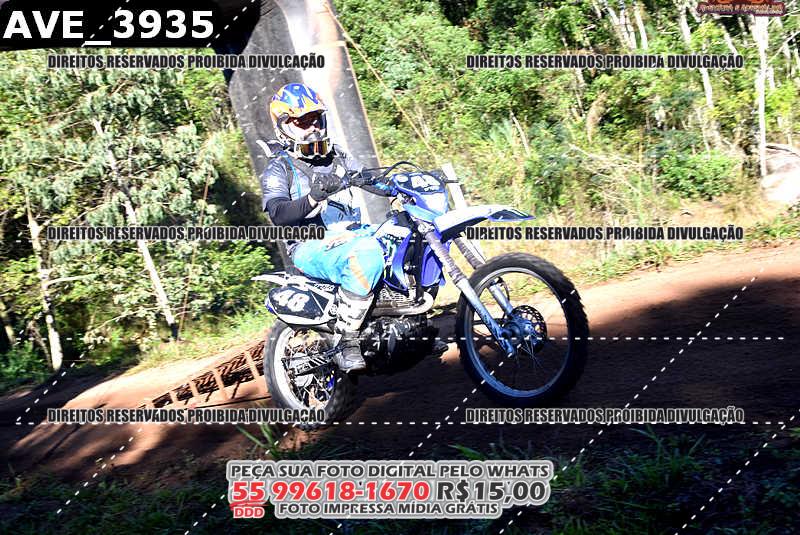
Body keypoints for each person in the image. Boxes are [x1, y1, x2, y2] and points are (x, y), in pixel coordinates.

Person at [259, 83, 384, 372]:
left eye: (316, 119)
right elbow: (277, 212)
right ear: (284, 126)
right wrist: (313, 197)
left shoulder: (337, 155)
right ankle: (347, 340)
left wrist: (404, 184)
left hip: (352, 234)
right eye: (302, 121)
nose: (313, 127)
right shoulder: (280, 167)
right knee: (366, 253)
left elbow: (370, 180)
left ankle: (410, 322)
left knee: (401, 237)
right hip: (311, 245)